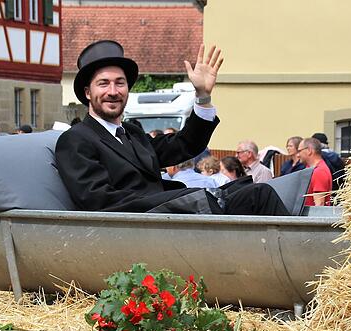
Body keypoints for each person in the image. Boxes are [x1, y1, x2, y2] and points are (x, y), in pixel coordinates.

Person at [54, 40, 288, 216]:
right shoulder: (76, 139)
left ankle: (311, 275)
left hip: (181, 212)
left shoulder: (132, 132)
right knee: (206, 199)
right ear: (87, 92)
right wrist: (176, 200)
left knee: (260, 193)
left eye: (120, 83)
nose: (113, 91)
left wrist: (203, 96)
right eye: (103, 83)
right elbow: (99, 200)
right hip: (147, 227)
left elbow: (185, 145)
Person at [297, 137, 333, 206]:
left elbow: (319, 205)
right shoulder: (311, 169)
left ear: (309, 151)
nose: (298, 155)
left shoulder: (319, 171)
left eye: (299, 151)